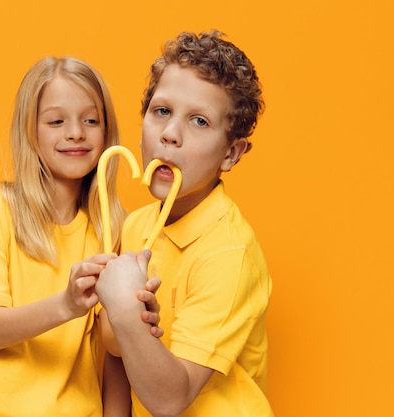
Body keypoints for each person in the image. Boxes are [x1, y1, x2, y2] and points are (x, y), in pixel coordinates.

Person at [0, 56, 162, 417]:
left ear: (107, 133)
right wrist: (67, 304)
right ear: (30, 131)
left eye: (90, 120)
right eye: (56, 121)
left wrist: (134, 322)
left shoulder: (115, 229)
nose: (76, 132)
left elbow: (113, 354)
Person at [96, 30, 273, 416]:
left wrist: (127, 311)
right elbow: (114, 346)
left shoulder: (229, 253)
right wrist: (130, 316)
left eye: (198, 121)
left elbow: (169, 400)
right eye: (161, 111)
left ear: (231, 152)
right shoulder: (137, 225)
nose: (170, 135)